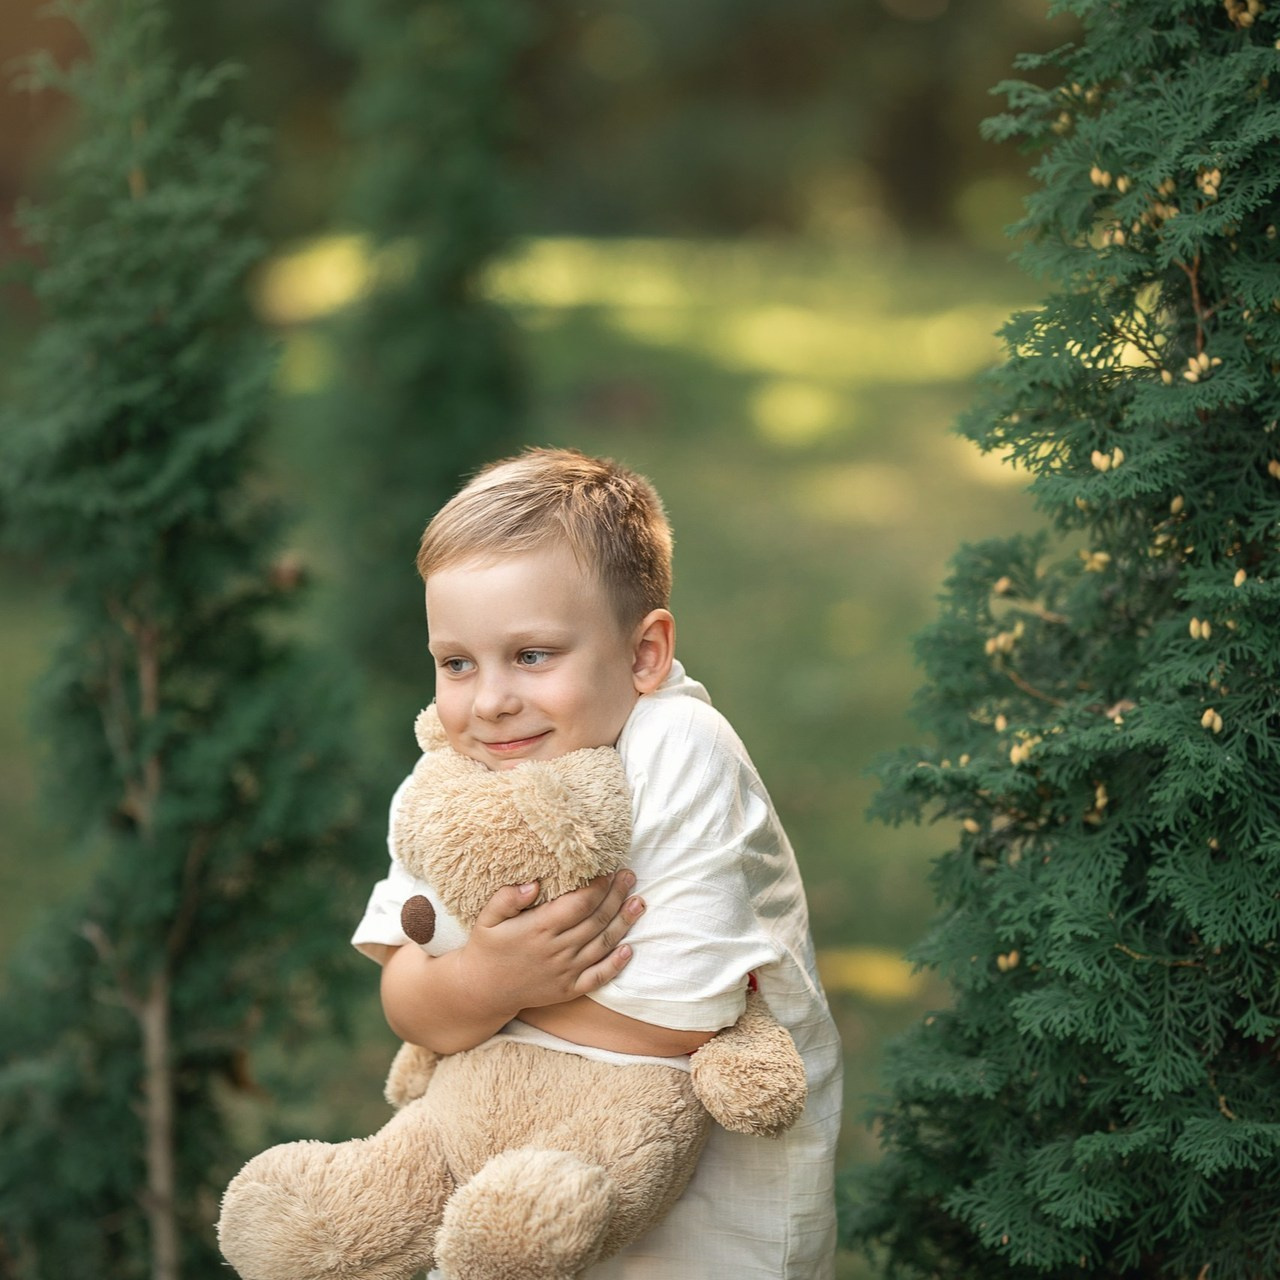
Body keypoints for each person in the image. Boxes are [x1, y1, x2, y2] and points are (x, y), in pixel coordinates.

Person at [353, 447, 842, 1278]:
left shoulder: (682, 750)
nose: (490, 699)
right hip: (497, 1195)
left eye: (533, 655)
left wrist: (480, 997)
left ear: (644, 654)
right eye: (456, 663)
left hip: (706, 1234)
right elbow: (405, 998)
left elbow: (684, 1020)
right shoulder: (453, 770)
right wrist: (494, 980)